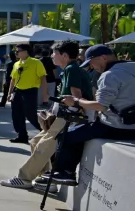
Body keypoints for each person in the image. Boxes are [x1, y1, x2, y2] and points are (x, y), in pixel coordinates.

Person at [1, 41, 94, 190]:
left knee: (44, 146)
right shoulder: (70, 69)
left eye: (54, 53)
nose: (51, 56)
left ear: (64, 55)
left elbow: (77, 96)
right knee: (35, 141)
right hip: (63, 116)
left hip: (69, 118)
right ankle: (45, 178)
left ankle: (24, 178)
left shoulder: (72, 69)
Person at [51, 45, 135, 186]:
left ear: (103, 58)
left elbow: (101, 106)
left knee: (67, 136)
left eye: (91, 62)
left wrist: (76, 101)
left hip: (115, 127)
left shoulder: (110, 75)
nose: (91, 67)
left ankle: (66, 173)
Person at [7, 43, 47, 144]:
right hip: (17, 91)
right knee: (16, 114)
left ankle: (46, 132)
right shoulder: (16, 64)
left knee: (30, 114)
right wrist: (9, 93)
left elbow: (43, 78)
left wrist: (45, 95)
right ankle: (22, 135)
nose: (16, 53)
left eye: (18, 51)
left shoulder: (36, 62)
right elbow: (13, 79)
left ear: (26, 52)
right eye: (15, 51)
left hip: (30, 91)